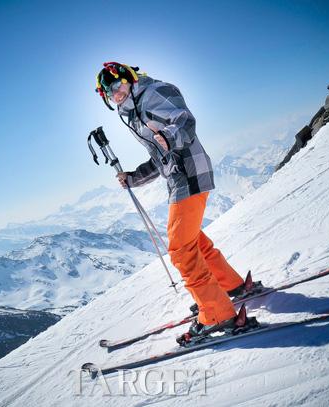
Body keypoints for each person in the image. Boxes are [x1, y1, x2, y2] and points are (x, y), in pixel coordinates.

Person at [95, 62, 257, 338]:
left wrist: (169, 137)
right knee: (193, 242)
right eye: (110, 93)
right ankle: (231, 287)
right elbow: (160, 156)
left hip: (189, 175)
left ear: (131, 80)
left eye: (118, 86)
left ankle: (217, 314)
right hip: (180, 177)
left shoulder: (154, 92)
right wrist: (133, 178)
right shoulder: (134, 111)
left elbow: (184, 120)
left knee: (181, 250)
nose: (116, 94)